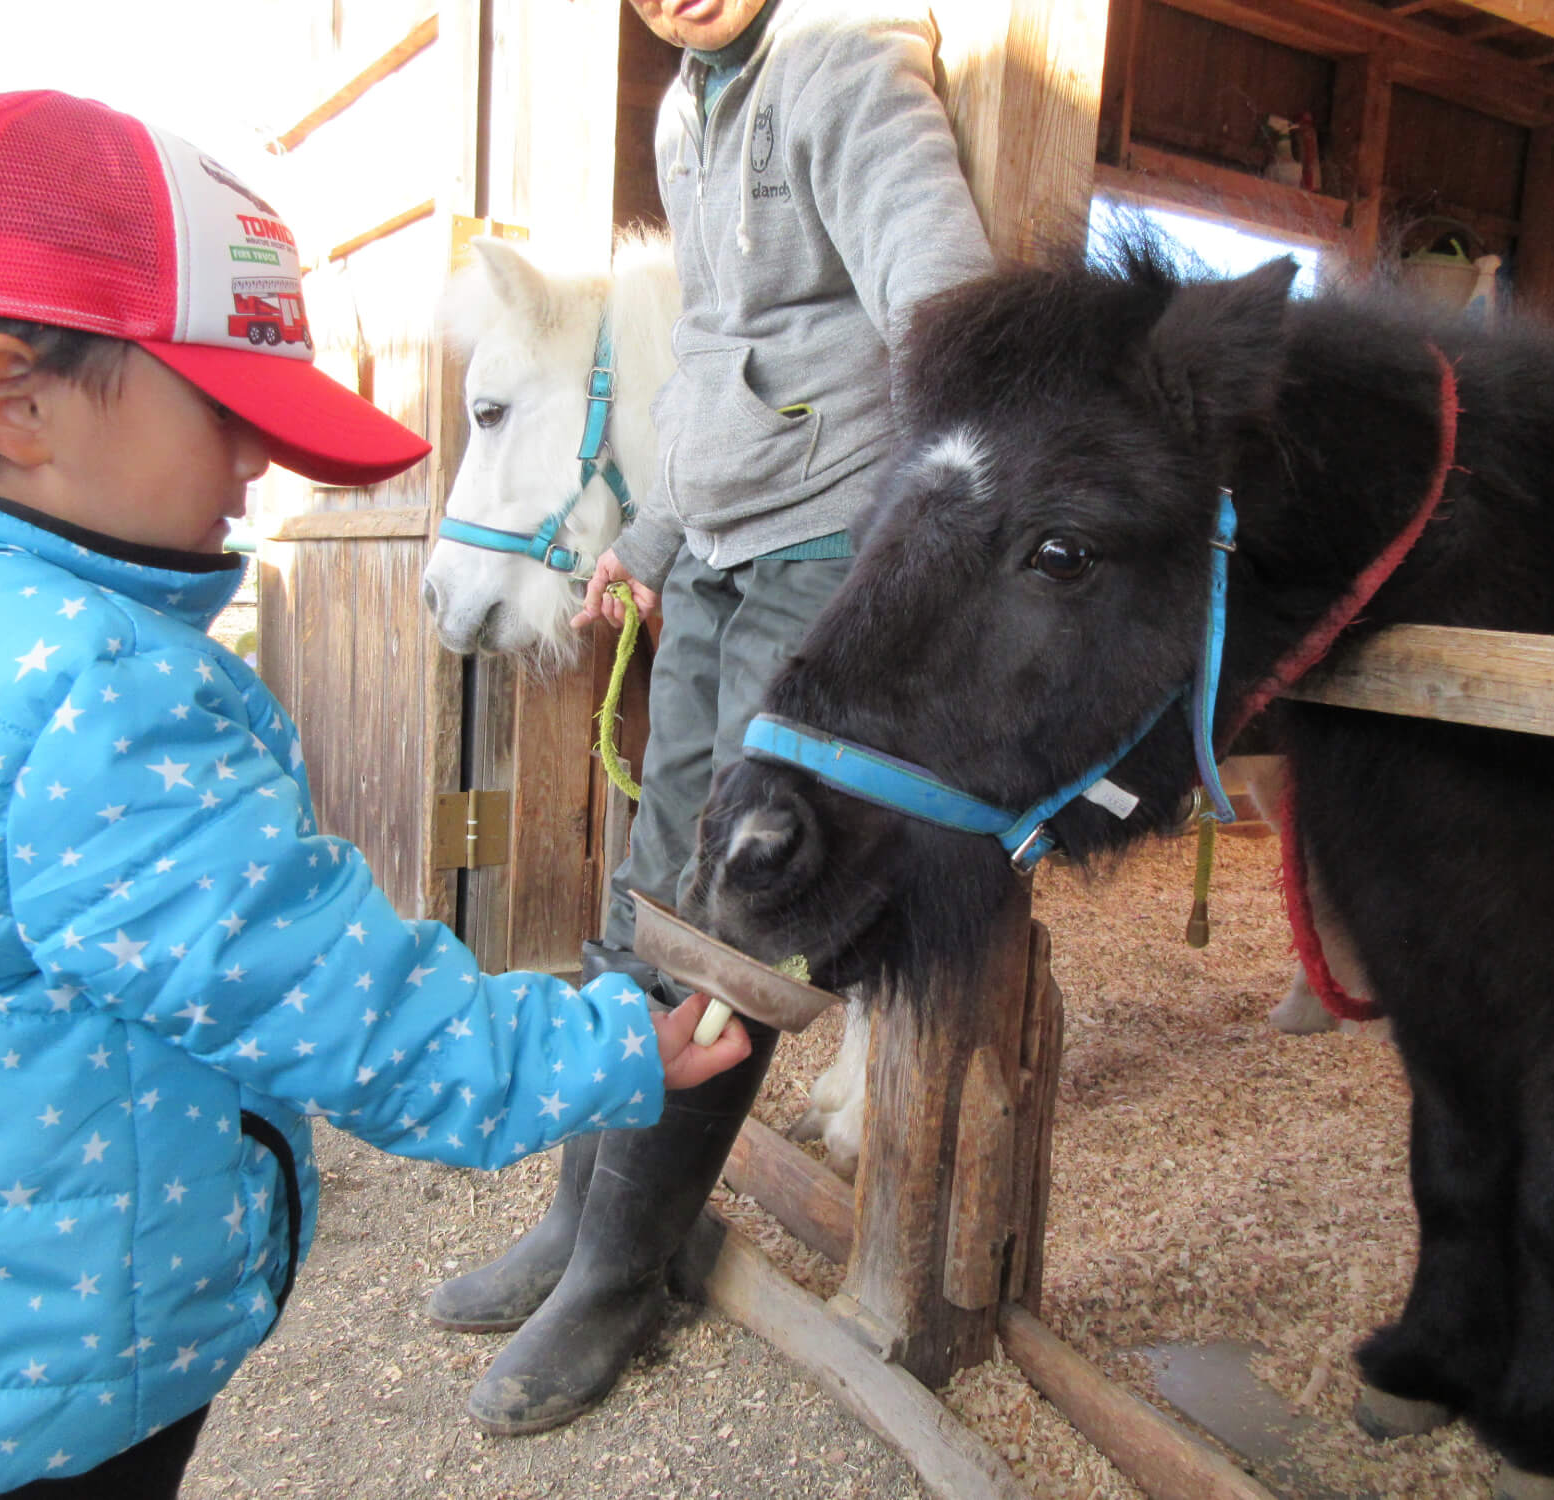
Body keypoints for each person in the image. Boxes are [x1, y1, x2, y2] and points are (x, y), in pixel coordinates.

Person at [0, 90, 750, 1500]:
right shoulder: (95, 695)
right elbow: (347, 1007)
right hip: (55, 1372)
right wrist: (608, 1050)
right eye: (225, 412)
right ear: (16, 400)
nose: (255, 462)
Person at [424, 0, 995, 1436]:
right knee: (648, 880)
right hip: (725, 545)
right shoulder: (688, 108)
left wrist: (921, 548)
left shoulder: (842, 64)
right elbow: (707, 364)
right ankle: (585, 1225)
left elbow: (944, 303)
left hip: (826, 550)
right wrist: (653, 538)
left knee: (738, 902)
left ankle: (623, 1269)